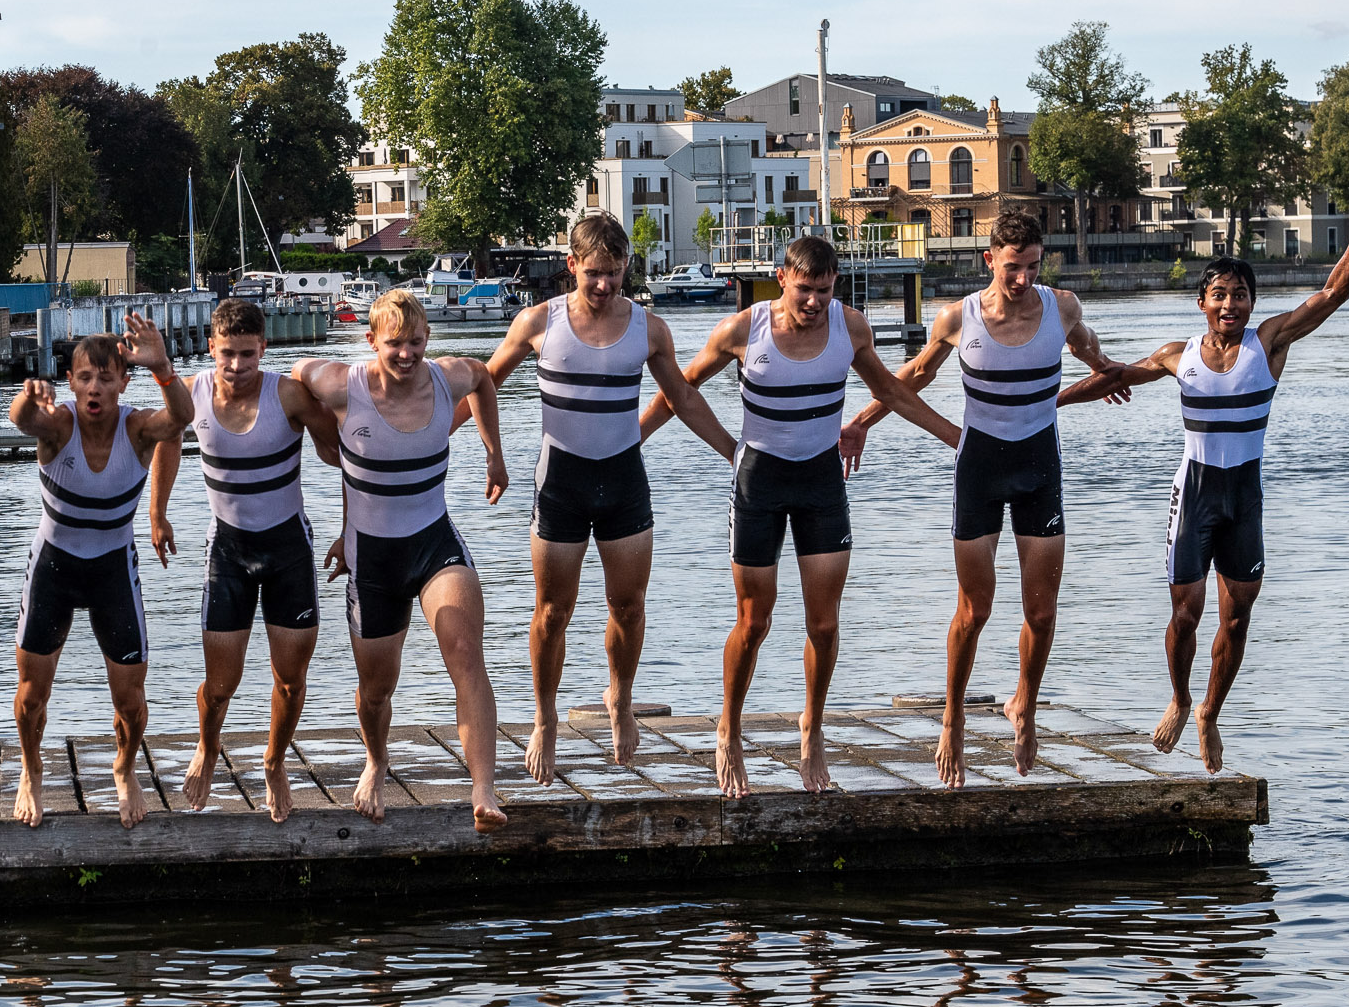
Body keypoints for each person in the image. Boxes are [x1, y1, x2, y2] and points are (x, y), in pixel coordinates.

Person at [639, 234, 962, 796]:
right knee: (754, 621)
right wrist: (635, 441)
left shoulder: (851, 327)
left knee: (824, 623)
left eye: (824, 289)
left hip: (820, 484)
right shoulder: (744, 330)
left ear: (834, 285)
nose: (813, 301)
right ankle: (729, 729)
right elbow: (680, 389)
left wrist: (956, 437)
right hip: (757, 485)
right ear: (783, 279)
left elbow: (893, 390)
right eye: (805, 289)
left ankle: (811, 729)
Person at [1086, 187, 1349, 772]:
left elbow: (1332, 294)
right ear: (1202, 300)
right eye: (1220, 295)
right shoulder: (1178, 354)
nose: (1230, 304)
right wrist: (1046, 402)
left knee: (1238, 615)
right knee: (1186, 612)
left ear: (1252, 303)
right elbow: (1116, 375)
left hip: (1244, 497)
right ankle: (1179, 698)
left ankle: (1209, 711)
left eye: (1241, 295)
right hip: (1195, 493)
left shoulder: (1269, 342)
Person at [838, 210, 1125, 788]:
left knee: (1041, 612)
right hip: (978, 471)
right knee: (976, 610)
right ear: (989, 259)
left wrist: (1105, 370)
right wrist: (863, 420)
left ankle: (1025, 706)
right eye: (1014, 267)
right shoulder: (958, 317)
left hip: (1039, 467)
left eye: (1034, 267)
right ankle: (951, 720)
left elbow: (1088, 345)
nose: (1024, 280)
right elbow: (912, 376)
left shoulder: (1061, 307)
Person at [474, 213, 728, 782]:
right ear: (572, 266)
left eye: (614, 274)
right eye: (593, 274)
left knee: (628, 607)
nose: (605, 286)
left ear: (626, 268)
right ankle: (543, 717)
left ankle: (620, 698)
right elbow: (482, 383)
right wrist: (474, 449)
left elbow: (682, 398)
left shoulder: (649, 328)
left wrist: (735, 453)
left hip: (622, 481)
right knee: (552, 612)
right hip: (559, 483)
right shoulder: (538, 322)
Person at [292, 290, 510, 830]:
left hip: (434, 544)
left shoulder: (448, 376)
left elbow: (484, 377)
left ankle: (483, 789)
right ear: (371, 342)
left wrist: (493, 451)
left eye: (416, 342)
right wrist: (328, 443)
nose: (407, 354)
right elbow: (294, 376)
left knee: (465, 652)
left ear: (427, 339)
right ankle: (377, 760)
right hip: (373, 560)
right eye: (395, 344)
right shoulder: (343, 386)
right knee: (376, 690)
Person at [148, 298, 341, 821]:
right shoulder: (192, 392)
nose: (236, 367)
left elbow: (348, 453)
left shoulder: (289, 395)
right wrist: (157, 512)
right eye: (227, 354)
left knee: (290, 679)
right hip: (228, 553)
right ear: (211, 348)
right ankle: (209, 748)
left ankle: (274, 760)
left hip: (288, 552)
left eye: (248, 355)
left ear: (264, 349)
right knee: (219, 686)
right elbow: (167, 442)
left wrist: (350, 529)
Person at [7, 316, 193, 828]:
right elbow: (20, 418)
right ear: (71, 381)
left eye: (106, 379)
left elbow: (182, 418)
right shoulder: (58, 423)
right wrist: (29, 395)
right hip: (54, 569)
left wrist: (162, 369)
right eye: (85, 377)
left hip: (112, 571)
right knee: (30, 696)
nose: (95, 388)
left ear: (122, 383)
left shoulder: (136, 429)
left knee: (131, 701)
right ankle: (31, 767)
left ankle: (125, 768)